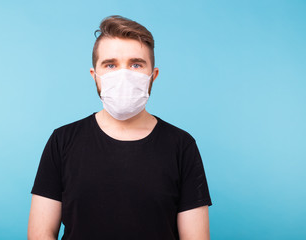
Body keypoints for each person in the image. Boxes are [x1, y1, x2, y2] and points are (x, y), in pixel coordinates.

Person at [28, 15, 212, 240]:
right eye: (110, 65)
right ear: (95, 76)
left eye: (136, 64)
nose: (123, 75)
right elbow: (40, 234)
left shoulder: (182, 146)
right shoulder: (62, 141)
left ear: (152, 76)